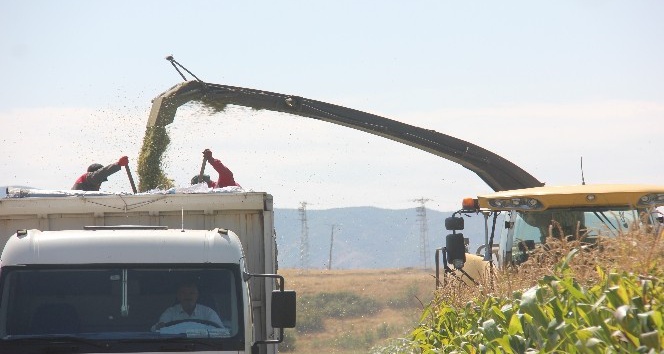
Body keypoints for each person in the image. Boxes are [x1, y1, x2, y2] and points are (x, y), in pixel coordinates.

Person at [152, 281, 225, 331]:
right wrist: (160, 327)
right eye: (183, 293)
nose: (188, 296)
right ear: (178, 296)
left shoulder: (208, 312)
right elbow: (158, 330)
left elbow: (221, 332)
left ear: (197, 295)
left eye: (192, 293)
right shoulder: (170, 312)